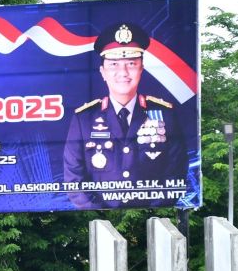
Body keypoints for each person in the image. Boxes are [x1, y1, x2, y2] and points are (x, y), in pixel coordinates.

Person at [63, 22, 186, 208]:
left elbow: (175, 173)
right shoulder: (84, 119)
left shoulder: (165, 115)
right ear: (103, 72)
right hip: (99, 217)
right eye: (114, 64)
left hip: (152, 216)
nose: (123, 72)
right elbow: (74, 180)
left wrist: (149, 212)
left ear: (141, 69)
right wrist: (101, 215)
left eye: (131, 63)